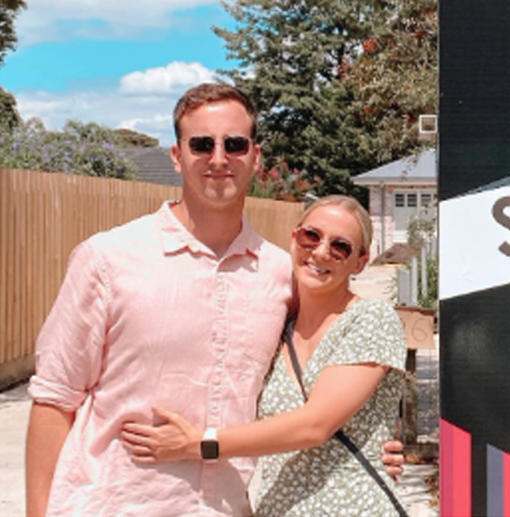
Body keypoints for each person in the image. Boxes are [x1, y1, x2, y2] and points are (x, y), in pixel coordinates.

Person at [24, 83, 402, 517]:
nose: (219, 158)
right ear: (177, 155)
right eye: (202, 144)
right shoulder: (108, 259)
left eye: (234, 144)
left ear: (255, 157)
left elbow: (323, 378)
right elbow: (55, 399)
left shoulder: (280, 276)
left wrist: (378, 443)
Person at [120, 196, 407, 516]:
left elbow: (316, 425)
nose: (321, 251)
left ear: (360, 262)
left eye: (340, 246)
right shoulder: (276, 328)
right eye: (312, 236)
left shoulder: (370, 319)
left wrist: (200, 444)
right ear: (294, 237)